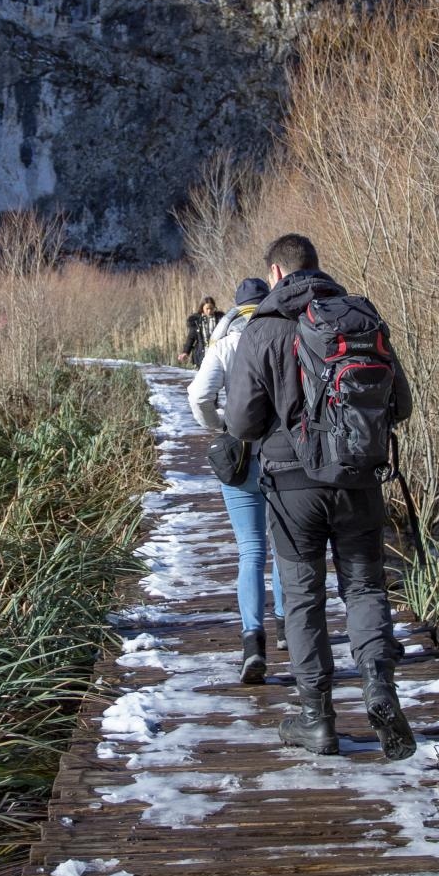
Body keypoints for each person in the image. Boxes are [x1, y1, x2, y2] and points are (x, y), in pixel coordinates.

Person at [225, 234, 416, 760]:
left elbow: (241, 421)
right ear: (317, 268)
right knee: (365, 590)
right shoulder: (359, 317)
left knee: (304, 598)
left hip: (293, 489)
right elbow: (399, 404)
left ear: (275, 273)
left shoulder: (262, 327)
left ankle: (317, 719)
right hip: (358, 480)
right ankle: (380, 688)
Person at [187, 279, 287, 683]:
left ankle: (252, 641)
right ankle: (286, 628)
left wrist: (224, 426)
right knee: (285, 547)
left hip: (241, 454)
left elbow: (198, 397)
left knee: (250, 550)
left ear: (237, 306)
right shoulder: (284, 330)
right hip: (285, 455)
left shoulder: (224, 340)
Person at [177, 296, 222, 365]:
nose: (209, 311)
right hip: (202, 354)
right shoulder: (196, 321)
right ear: (202, 308)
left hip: (218, 353)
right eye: (207, 309)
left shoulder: (220, 319)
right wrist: (185, 352)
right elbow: (191, 338)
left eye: (211, 308)